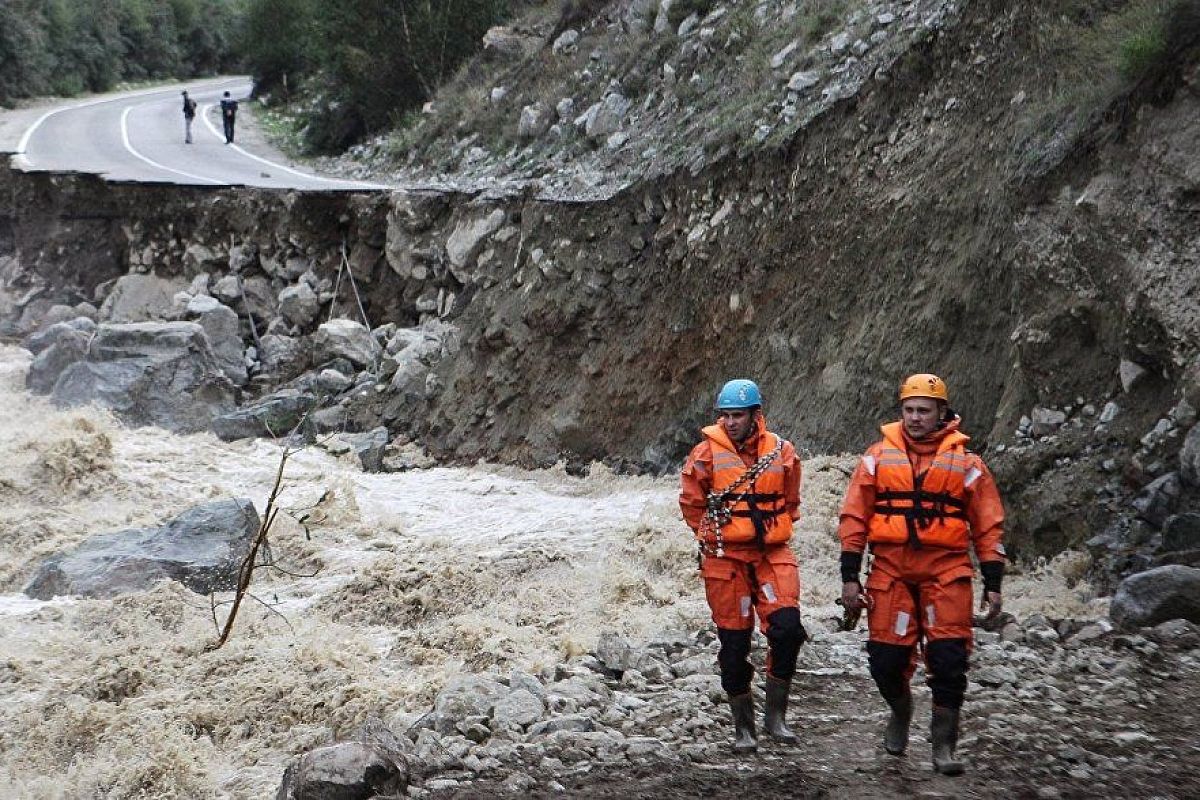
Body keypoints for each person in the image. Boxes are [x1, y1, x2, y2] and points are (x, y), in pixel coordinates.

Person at [837, 373, 1005, 775]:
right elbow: (854, 518)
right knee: (885, 662)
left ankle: (943, 745)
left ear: (942, 413)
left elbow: (988, 525)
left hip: (946, 573)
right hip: (891, 572)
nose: (915, 418)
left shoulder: (968, 464)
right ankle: (900, 711)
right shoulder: (877, 458)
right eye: (909, 410)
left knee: (949, 660)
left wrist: (994, 583)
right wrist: (849, 577)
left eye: (924, 411)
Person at [680, 379, 807, 753]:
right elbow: (691, 504)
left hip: (771, 553)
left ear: (756, 415)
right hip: (725, 559)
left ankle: (775, 717)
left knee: (787, 630)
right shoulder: (704, 455)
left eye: (738, 416)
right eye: (726, 416)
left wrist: (768, 529)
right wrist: (715, 535)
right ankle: (743, 727)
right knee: (734, 648)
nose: (731, 422)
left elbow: (792, 500)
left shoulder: (782, 452)